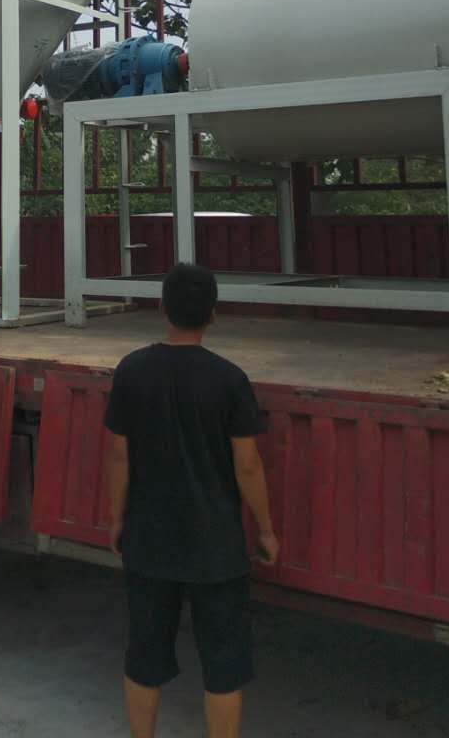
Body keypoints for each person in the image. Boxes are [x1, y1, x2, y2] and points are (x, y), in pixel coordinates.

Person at [105, 263, 279, 738]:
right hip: (216, 547)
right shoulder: (230, 380)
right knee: (224, 667)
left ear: (162, 308)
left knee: (144, 657)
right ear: (214, 315)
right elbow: (248, 466)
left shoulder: (131, 370)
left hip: (148, 539)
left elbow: (119, 455)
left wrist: (116, 519)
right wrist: (265, 530)